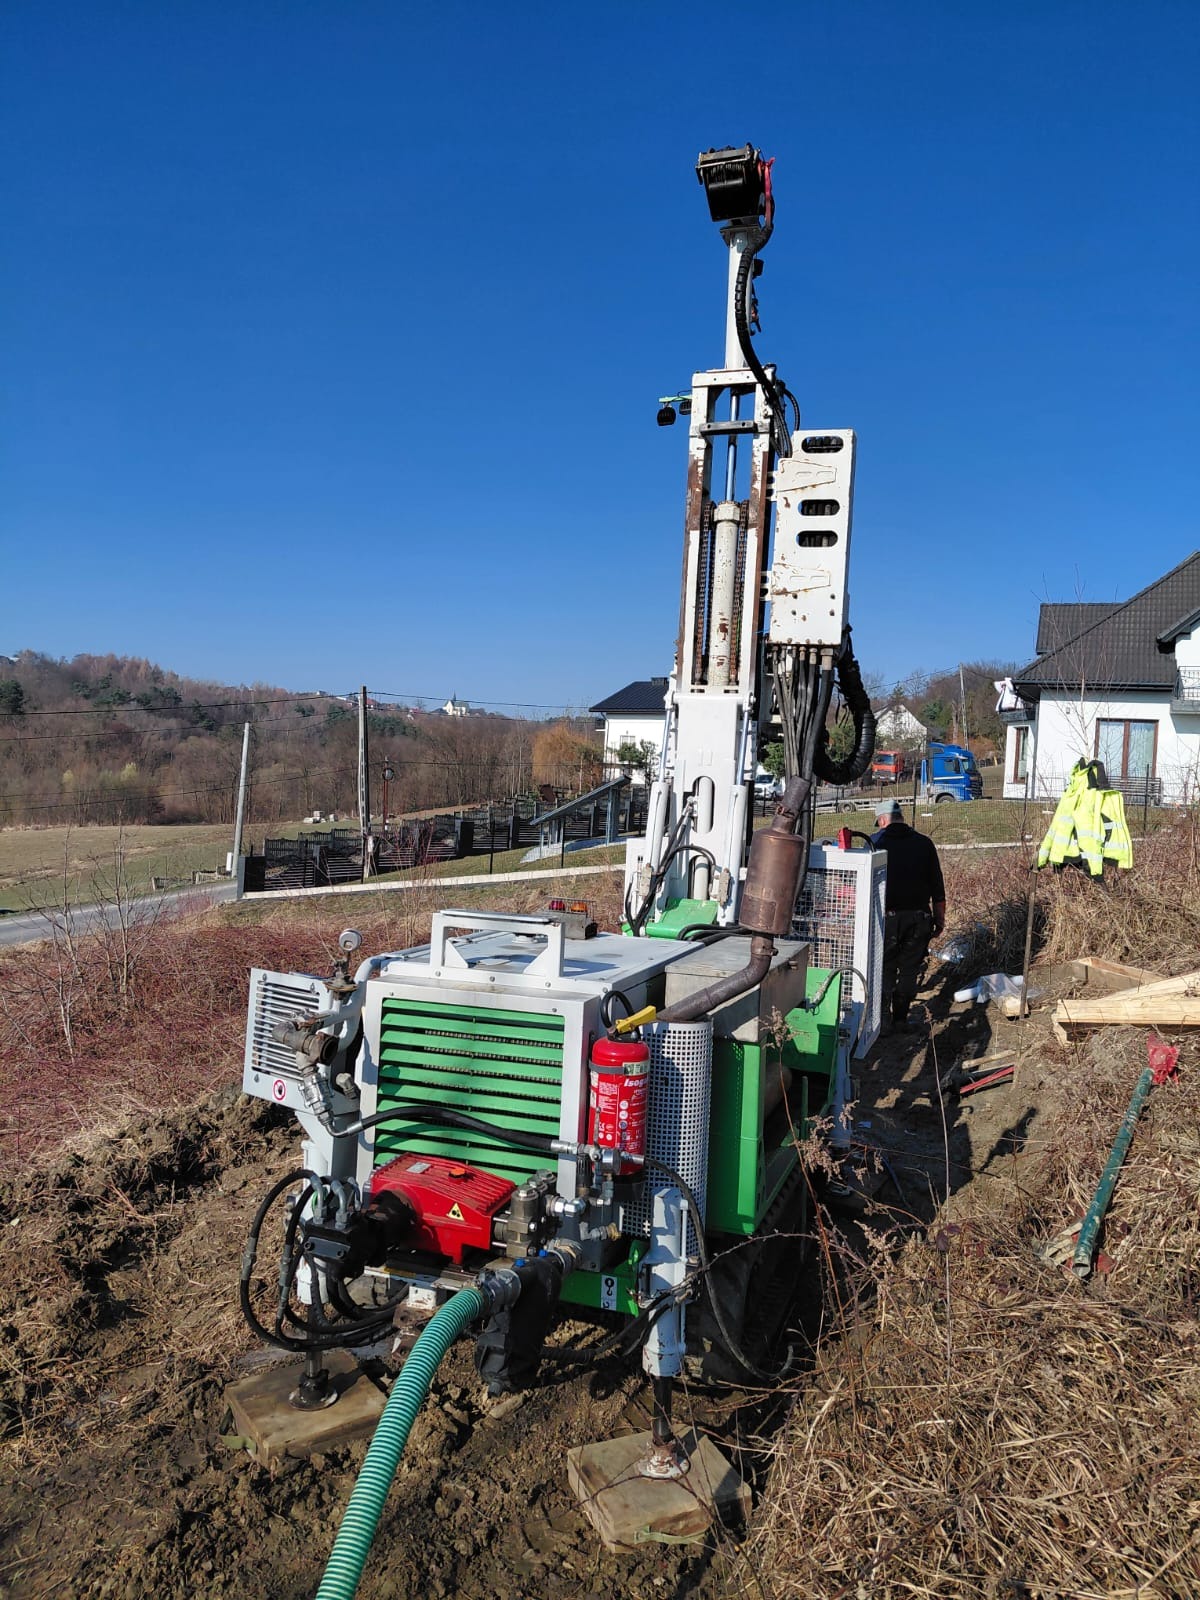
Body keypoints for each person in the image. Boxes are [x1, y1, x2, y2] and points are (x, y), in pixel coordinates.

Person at [871, 798, 946, 1030]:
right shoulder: (924, 844)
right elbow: (937, 887)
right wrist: (939, 919)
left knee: (884, 968)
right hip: (918, 918)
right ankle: (901, 1019)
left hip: (885, 919)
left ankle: (881, 1020)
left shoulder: (875, 843)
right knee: (909, 970)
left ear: (883, 820)